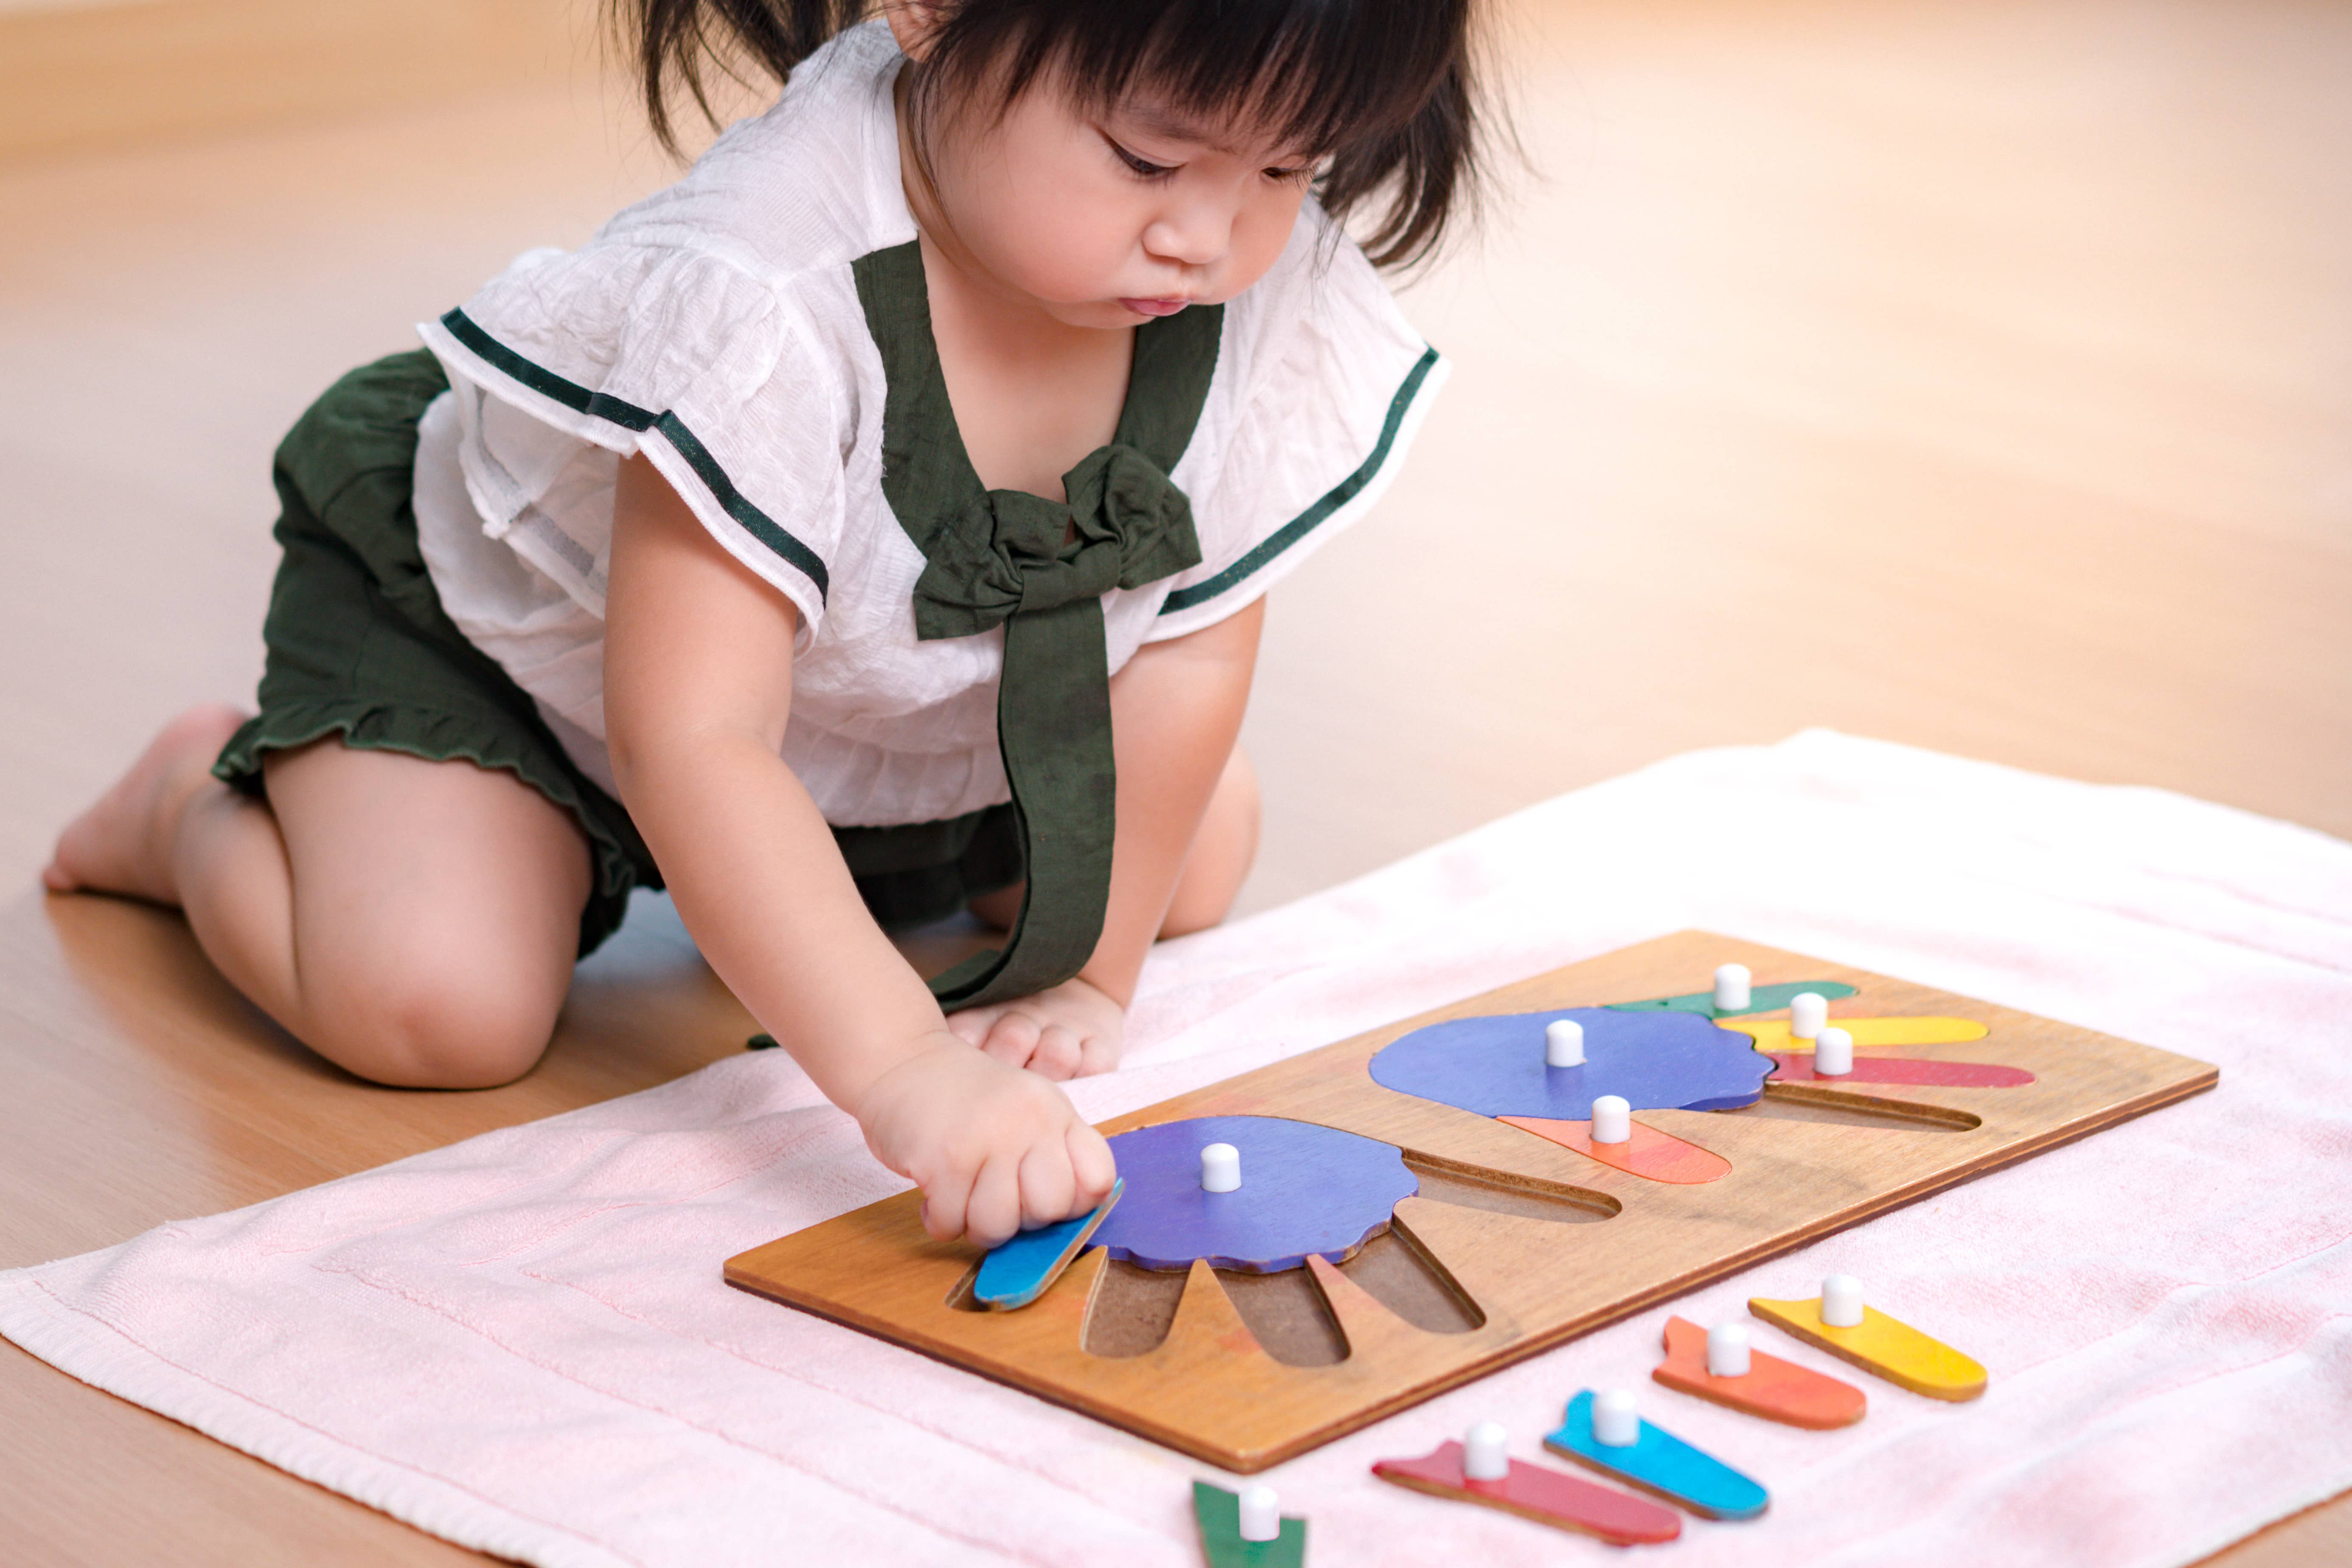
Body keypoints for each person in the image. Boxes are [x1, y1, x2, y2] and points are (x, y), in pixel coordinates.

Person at [43, 0, 1488, 1247]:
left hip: (884, 701)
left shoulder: (1250, 272)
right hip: (542, 675)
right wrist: (908, 1072)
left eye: (1290, 165)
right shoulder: (767, 285)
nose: (1208, 233)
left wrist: (1088, 976)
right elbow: (694, 738)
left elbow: (1192, 646)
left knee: (1186, 868)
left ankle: (888, 862)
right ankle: (193, 801)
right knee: (434, 1012)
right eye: (1150, 157)